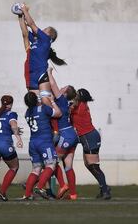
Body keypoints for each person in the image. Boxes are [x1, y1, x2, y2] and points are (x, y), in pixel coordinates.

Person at [18, 3, 66, 105]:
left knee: (45, 102)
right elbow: (25, 33)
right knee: (35, 103)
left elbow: (31, 24)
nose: (42, 30)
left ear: (49, 34)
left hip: (40, 73)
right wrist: (20, 15)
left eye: (44, 29)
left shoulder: (45, 39)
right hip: (32, 73)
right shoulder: (37, 40)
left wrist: (24, 9)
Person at [70, 88, 111, 200]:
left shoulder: (80, 107)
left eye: (77, 94)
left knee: (94, 166)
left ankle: (105, 190)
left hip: (89, 137)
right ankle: (104, 187)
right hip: (87, 137)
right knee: (89, 165)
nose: (75, 96)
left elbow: (69, 110)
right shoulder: (81, 105)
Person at [22, 91, 62, 199]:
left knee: (36, 169)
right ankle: (39, 187)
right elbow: (58, 113)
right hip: (44, 141)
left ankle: (27, 194)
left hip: (33, 143)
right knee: (51, 165)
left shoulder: (27, 113)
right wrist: (52, 101)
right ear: (36, 99)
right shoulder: (43, 109)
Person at [47, 68, 78, 200]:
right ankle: (73, 194)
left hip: (65, 135)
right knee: (68, 166)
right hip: (72, 135)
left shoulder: (61, 100)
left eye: (63, 87)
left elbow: (53, 85)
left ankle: (63, 185)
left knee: (51, 160)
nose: (61, 87)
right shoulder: (64, 102)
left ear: (65, 92)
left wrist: (49, 73)